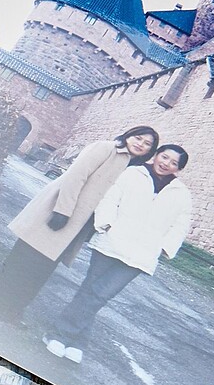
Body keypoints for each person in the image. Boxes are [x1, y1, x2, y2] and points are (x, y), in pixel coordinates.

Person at [0, 126, 158, 321]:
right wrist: (62, 210)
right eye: (138, 138)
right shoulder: (106, 148)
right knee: (23, 261)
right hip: (58, 213)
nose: (141, 144)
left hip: (77, 226)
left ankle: (13, 310)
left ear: (150, 151)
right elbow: (76, 176)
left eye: (147, 144)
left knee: (42, 270)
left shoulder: (132, 169)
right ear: (129, 135)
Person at [44, 144, 192, 363]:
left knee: (101, 294)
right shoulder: (133, 174)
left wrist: (164, 248)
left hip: (141, 255)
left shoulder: (181, 194)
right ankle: (73, 341)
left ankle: (60, 334)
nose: (166, 164)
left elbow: (180, 225)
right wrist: (106, 223)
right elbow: (110, 198)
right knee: (91, 291)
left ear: (178, 169)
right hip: (111, 243)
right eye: (164, 157)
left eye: (173, 163)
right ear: (156, 155)